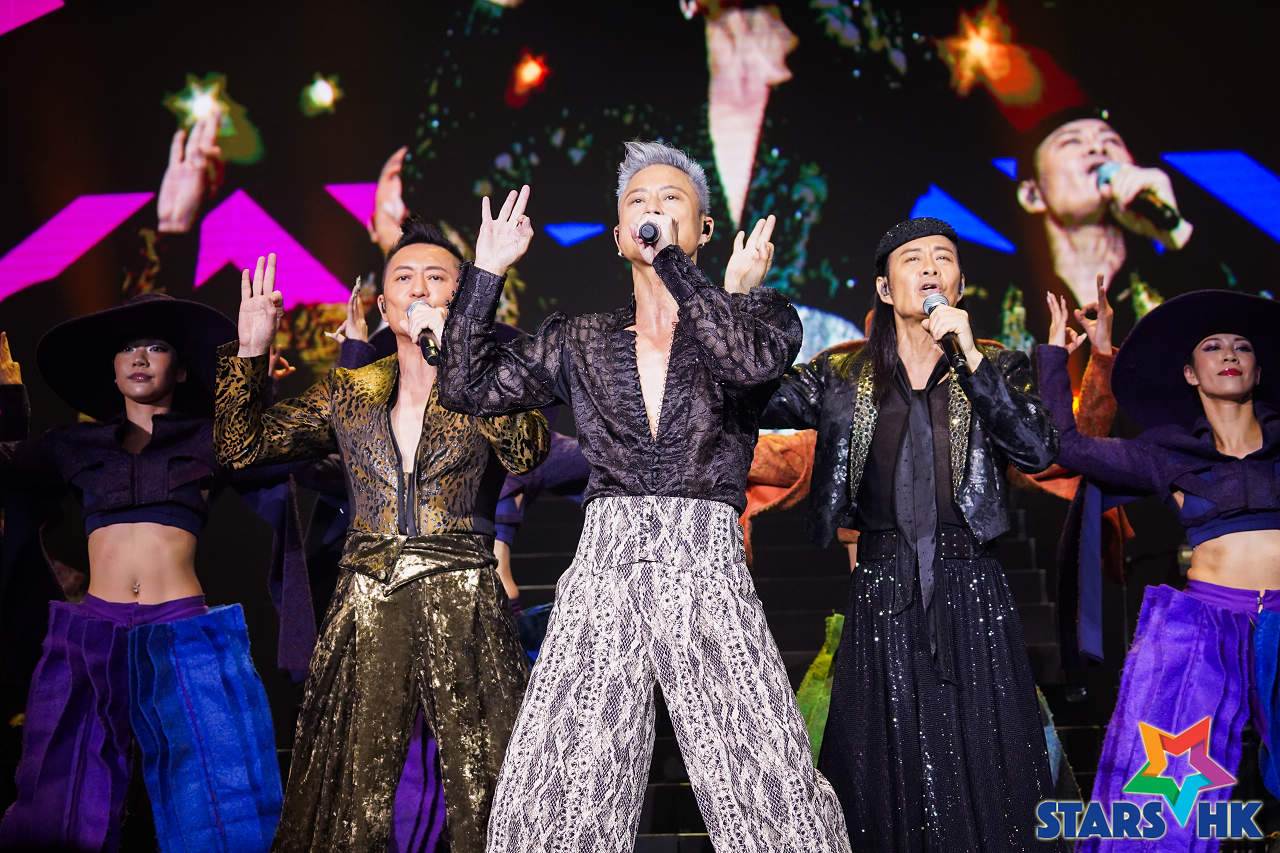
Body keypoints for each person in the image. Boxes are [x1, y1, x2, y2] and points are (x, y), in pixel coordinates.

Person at [432, 140, 848, 852]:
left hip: (707, 563)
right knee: (566, 780)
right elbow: (465, 385)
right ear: (619, 234)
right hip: (606, 564)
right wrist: (487, 272)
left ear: (704, 228)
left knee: (763, 777)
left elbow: (748, 365)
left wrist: (679, 268)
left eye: (670, 200)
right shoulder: (579, 338)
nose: (653, 210)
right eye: (638, 203)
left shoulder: (759, 322)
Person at [214, 222, 550, 852]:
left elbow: (527, 451)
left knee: (489, 783)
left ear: (461, 297)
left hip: (465, 599)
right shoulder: (350, 393)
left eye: (436, 278)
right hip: (367, 599)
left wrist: (463, 357)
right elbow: (241, 448)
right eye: (404, 277)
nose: (419, 289)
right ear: (383, 305)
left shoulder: (491, 383)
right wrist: (251, 352)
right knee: (350, 791)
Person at [760, 217, 1060, 850]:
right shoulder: (840, 375)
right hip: (881, 586)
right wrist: (746, 303)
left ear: (960, 283)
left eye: (943, 258)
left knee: (989, 756)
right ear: (883, 286)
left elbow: (1036, 449)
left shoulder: (996, 365)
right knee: (879, 763)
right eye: (912, 258)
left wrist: (971, 358)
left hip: (971, 583)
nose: (929, 268)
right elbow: (751, 397)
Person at [0, 295, 284, 852]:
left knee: (221, 800)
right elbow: (7, 466)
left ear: (180, 369)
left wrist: (254, 369)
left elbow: (268, 451)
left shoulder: (209, 439)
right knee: (60, 796)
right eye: (128, 348)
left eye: (156, 347)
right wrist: (8, 395)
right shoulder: (72, 445)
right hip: (91, 636)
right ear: (111, 370)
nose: (139, 357)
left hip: (184, 636)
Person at [1038, 289, 1280, 851]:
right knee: (1166, 792)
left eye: (1242, 347)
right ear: (1191, 374)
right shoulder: (1166, 453)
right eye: (1213, 347)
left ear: (1259, 370)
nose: (1230, 354)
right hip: (1207, 627)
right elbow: (1064, 447)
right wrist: (1061, 357)